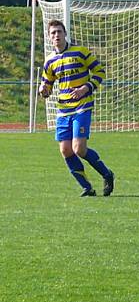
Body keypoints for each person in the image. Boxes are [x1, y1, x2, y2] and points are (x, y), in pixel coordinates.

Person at [39, 19, 115, 197]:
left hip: (82, 106)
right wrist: (44, 90)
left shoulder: (80, 52)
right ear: (50, 37)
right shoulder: (50, 61)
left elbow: (99, 72)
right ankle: (87, 188)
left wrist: (85, 88)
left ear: (65, 33)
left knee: (79, 148)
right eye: (53, 33)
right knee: (65, 150)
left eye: (59, 31)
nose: (56, 35)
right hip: (63, 110)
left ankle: (107, 174)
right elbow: (47, 84)